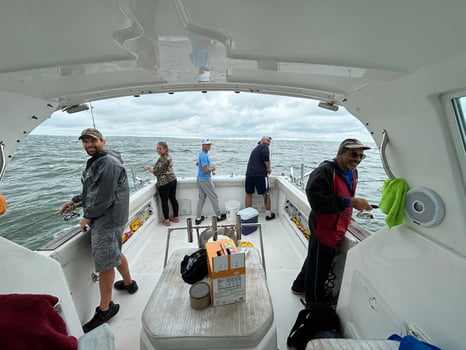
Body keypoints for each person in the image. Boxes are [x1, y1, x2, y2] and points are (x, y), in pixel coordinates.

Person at [59, 128, 138, 333]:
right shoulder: (101, 159)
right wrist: (76, 201)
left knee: (105, 264)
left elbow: (104, 197)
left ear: (103, 141)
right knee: (114, 252)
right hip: (111, 216)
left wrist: (87, 216)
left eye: (92, 141)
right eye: (85, 142)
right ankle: (129, 284)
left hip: (108, 219)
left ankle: (105, 308)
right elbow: (93, 188)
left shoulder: (109, 163)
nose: (88, 145)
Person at [291, 138, 373, 306]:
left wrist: (349, 213)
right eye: (353, 154)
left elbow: (344, 196)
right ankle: (314, 304)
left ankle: (299, 285)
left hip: (338, 225)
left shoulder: (353, 172)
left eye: (360, 156)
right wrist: (352, 203)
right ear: (340, 153)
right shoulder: (324, 172)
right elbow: (318, 201)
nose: (357, 159)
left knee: (315, 259)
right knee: (319, 269)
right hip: (324, 227)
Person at [144, 141, 179, 226]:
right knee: (173, 199)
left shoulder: (162, 159)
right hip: (173, 180)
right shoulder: (168, 157)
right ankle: (176, 217)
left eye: (160, 149)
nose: (158, 150)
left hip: (164, 183)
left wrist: (148, 168)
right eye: (157, 148)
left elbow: (156, 172)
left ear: (165, 149)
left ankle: (166, 220)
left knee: (164, 201)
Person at [195, 138, 226, 225]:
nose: (209, 146)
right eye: (207, 144)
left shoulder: (201, 154)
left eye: (210, 144)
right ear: (203, 145)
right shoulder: (204, 155)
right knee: (214, 197)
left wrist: (207, 166)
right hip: (205, 179)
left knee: (201, 198)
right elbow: (205, 170)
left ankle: (198, 218)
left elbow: (197, 164)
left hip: (200, 179)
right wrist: (213, 168)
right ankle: (219, 216)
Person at [245, 136, 276, 220]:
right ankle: (268, 214)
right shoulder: (264, 147)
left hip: (249, 174)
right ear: (261, 140)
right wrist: (268, 168)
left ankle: (247, 214)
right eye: (267, 140)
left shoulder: (255, 149)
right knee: (266, 194)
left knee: (248, 194)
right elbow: (266, 157)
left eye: (270, 141)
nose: (268, 142)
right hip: (260, 175)